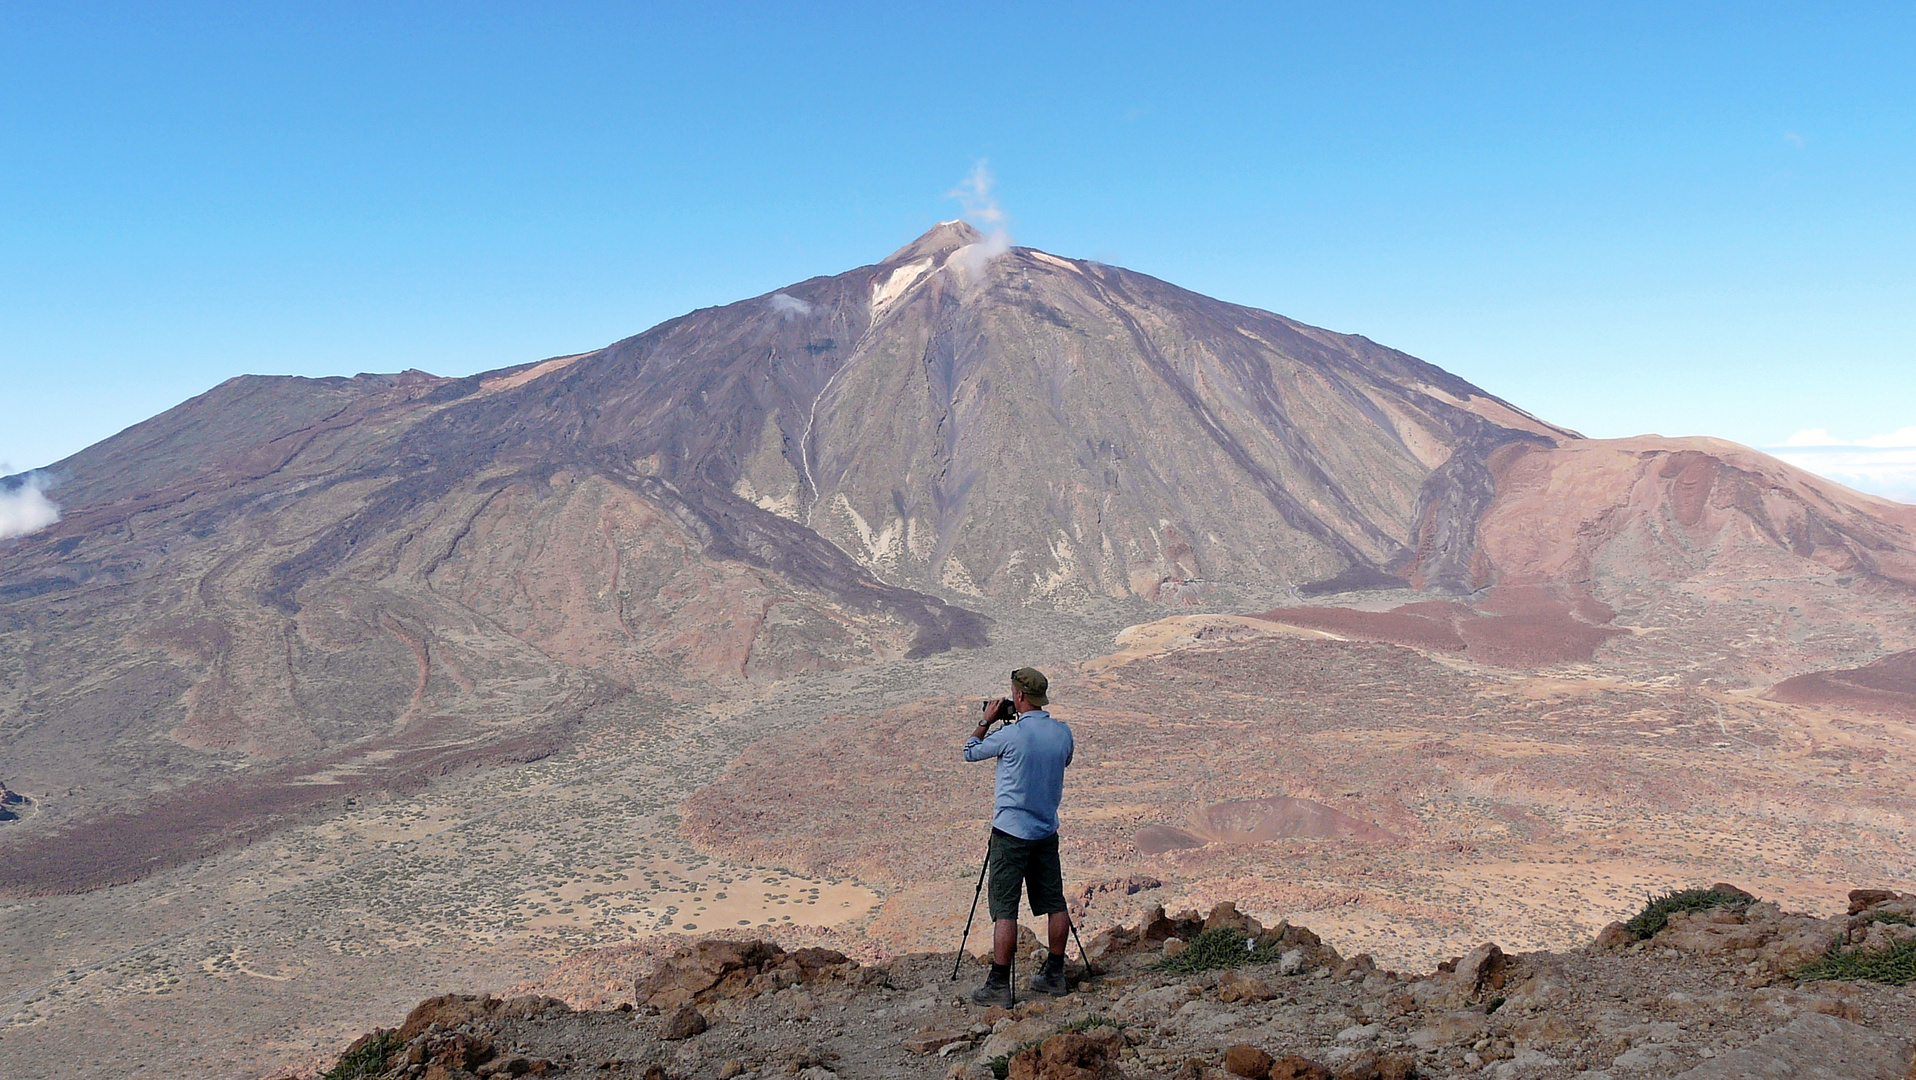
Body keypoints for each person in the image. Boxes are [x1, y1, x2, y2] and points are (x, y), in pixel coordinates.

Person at [963, 666, 1075, 1004]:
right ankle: (1055, 974)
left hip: (1010, 834)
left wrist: (986, 720)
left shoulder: (1009, 736)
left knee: (1005, 910)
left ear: (1019, 695)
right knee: (1055, 902)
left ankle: (999, 985)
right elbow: (1063, 761)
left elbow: (970, 751)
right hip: (1045, 830)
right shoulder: (1062, 733)